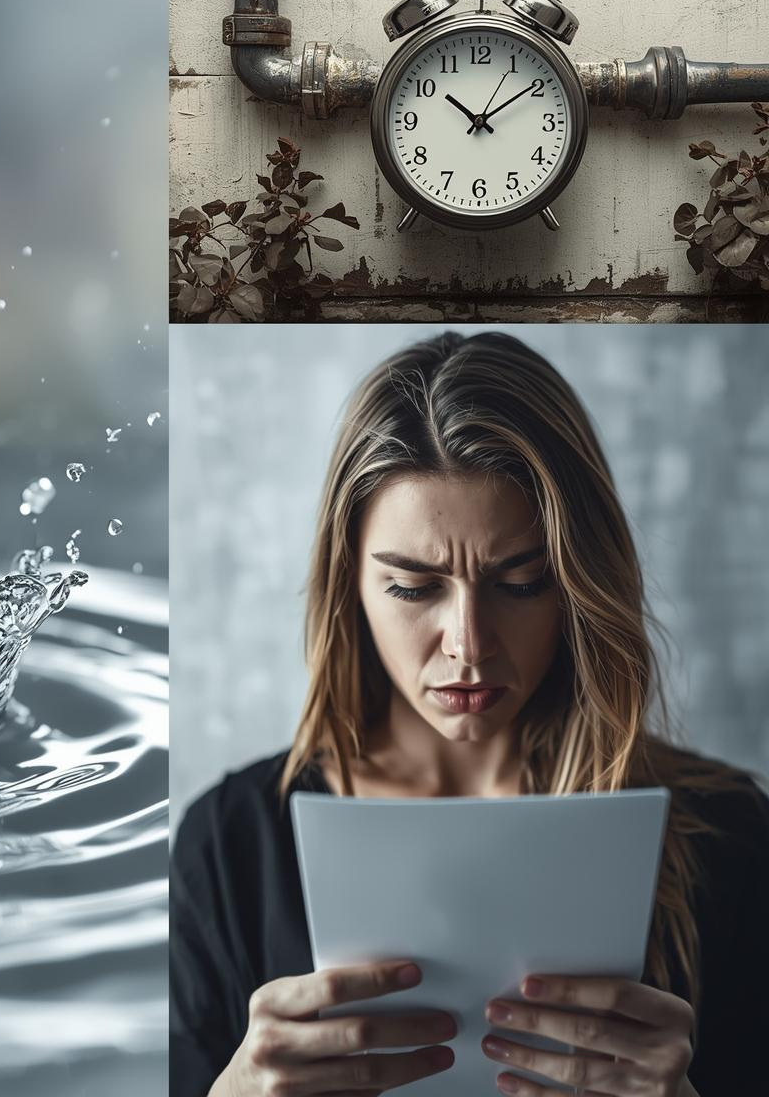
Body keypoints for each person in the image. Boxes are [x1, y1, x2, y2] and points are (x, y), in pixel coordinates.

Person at [170, 331, 768, 1097]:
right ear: (347, 582)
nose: (469, 647)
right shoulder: (228, 850)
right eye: (414, 588)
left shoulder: (728, 836)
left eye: (520, 583)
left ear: (582, 585)